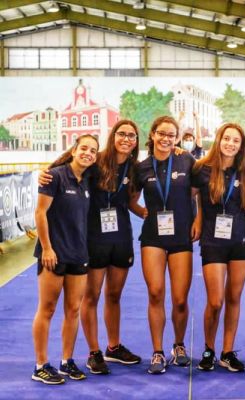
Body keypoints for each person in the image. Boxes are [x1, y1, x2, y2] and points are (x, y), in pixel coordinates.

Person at [39, 120, 142, 375]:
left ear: (136, 141)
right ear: (113, 136)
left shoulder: (136, 168)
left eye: (131, 135)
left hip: (121, 237)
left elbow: (131, 200)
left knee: (114, 295)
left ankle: (113, 347)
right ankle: (94, 352)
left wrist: (145, 213)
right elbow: (68, 164)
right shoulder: (96, 160)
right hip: (93, 239)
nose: (126, 139)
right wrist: (46, 171)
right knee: (91, 296)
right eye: (121, 134)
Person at [133, 115, 201, 374]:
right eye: (161, 133)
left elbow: (199, 193)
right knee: (155, 293)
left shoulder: (186, 160)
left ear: (177, 138)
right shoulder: (142, 167)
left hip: (181, 236)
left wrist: (198, 220)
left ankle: (179, 346)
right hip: (153, 237)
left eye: (171, 135)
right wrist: (141, 212)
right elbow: (131, 199)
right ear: (152, 135)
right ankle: (158, 351)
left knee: (180, 299)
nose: (166, 139)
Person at [32, 134, 99, 384]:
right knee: (47, 308)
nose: (88, 153)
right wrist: (47, 248)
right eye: (84, 148)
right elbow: (40, 213)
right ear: (73, 150)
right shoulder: (55, 176)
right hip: (54, 254)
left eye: (93, 151)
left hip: (79, 254)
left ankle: (66, 361)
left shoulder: (88, 180)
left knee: (73, 309)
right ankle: (40, 365)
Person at [193, 122, 245, 372]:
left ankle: (227, 352)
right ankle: (209, 349)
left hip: (241, 241)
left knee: (234, 298)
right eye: (227, 138)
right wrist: (197, 219)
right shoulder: (201, 169)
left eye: (236, 140)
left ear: (241, 146)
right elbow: (189, 196)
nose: (230, 144)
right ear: (219, 139)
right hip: (212, 241)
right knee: (216, 301)